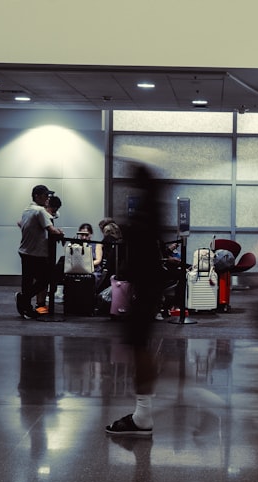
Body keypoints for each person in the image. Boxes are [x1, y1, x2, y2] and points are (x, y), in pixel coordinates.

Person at [105, 165, 167, 436]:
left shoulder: (145, 210)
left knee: (140, 348)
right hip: (148, 287)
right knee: (139, 347)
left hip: (145, 289)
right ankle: (143, 412)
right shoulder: (153, 205)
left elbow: (138, 251)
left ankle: (143, 415)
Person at [16, 185, 63, 318]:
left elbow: (19, 223)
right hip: (36, 253)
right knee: (47, 278)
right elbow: (52, 230)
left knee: (27, 281)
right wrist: (59, 232)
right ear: (37, 196)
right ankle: (24, 299)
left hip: (25, 250)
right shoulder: (40, 211)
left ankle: (26, 308)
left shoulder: (27, 209)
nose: (48, 198)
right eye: (45, 195)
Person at [35, 195, 63, 312]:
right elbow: (51, 230)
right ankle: (38, 303)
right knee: (42, 279)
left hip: (43, 250)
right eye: (54, 209)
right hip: (41, 251)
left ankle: (40, 304)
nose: (54, 213)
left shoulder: (45, 214)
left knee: (43, 279)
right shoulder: (42, 214)